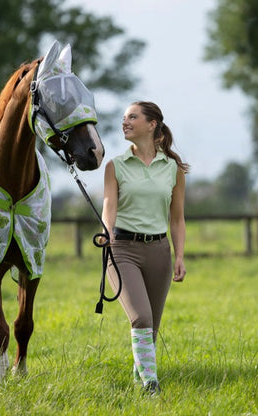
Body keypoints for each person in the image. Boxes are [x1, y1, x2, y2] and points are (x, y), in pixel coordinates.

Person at [100, 101, 188, 396]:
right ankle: (151, 384)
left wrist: (180, 257)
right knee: (140, 317)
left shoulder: (172, 169)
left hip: (159, 252)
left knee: (150, 330)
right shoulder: (115, 166)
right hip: (121, 249)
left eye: (132, 117)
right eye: (124, 118)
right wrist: (106, 232)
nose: (125, 122)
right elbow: (109, 207)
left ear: (152, 124)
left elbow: (177, 219)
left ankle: (140, 378)